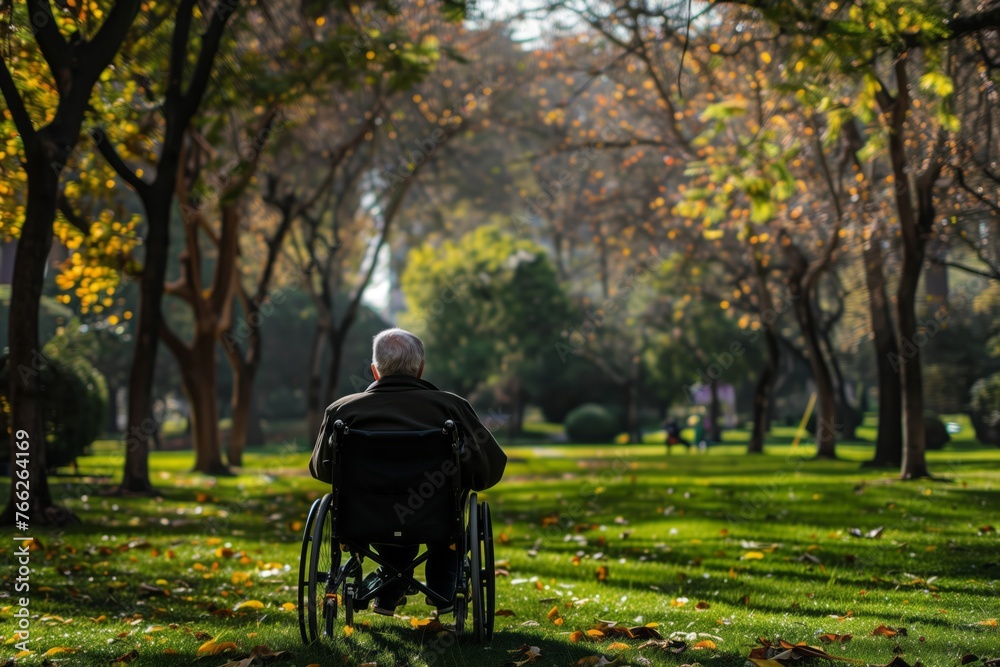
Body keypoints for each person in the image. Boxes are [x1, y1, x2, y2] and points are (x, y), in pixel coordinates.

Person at [309, 328, 507, 617]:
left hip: (365, 519)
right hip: (438, 519)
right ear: (420, 369)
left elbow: (320, 470)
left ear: (375, 371)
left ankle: (389, 589)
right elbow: (488, 469)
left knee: (384, 512)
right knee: (450, 502)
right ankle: (442, 587)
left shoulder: (342, 411)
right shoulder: (451, 407)